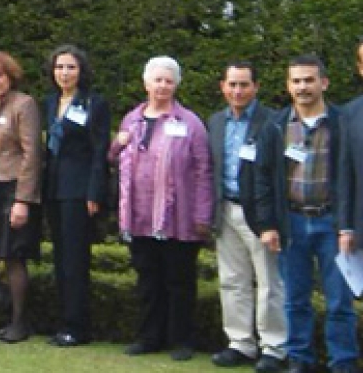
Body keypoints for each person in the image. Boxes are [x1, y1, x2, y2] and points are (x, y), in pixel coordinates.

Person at [253, 55, 356, 373]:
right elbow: (263, 177)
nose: (302, 87)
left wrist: (348, 225)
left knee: (339, 301)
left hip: (332, 223)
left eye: (309, 80)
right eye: (296, 81)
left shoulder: (343, 122)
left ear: (323, 83)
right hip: (292, 223)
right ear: (287, 85)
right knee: (295, 299)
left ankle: (343, 361)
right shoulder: (275, 125)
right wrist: (268, 224)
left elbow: (353, 176)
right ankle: (300, 359)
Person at [111, 55, 212, 362]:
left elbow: (203, 169)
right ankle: (148, 337)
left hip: (179, 219)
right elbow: (113, 156)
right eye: (158, 80)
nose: (163, 86)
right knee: (148, 281)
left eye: (169, 80)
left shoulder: (190, 123)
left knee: (179, 282)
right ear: (146, 84)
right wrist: (117, 143)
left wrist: (202, 215)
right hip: (140, 217)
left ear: (177, 85)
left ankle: (182, 340)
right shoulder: (132, 119)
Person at [206, 63, 286, 371]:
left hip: (259, 214)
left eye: (244, 85)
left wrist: (270, 222)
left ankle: (274, 347)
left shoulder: (271, 122)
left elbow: (273, 175)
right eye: (232, 85)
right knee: (232, 281)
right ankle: (240, 342)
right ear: (223, 87)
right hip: (225, 210)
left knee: (269, 283)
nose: (238, 91)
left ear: (256, 87)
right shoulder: (215, 122)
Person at [41, 45, 110, 347]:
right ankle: (62, 321)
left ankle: (77, 326)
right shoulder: (49, 102)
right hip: (53, 188)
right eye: (59, 67)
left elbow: (99, 151)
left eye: (70, 67)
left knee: (75, 260)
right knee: (59, 258)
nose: (64, 73)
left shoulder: (94, 103)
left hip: (79, 190)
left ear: (82, 71)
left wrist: (94, 192)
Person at [0, 51, 43, 343]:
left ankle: (20, 322)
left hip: (15, 188)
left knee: (16, 257)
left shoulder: (24, 105)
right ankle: (10, 319)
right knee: (3, 253)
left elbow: (32, 154)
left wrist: (23, 200)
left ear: (10, 77)